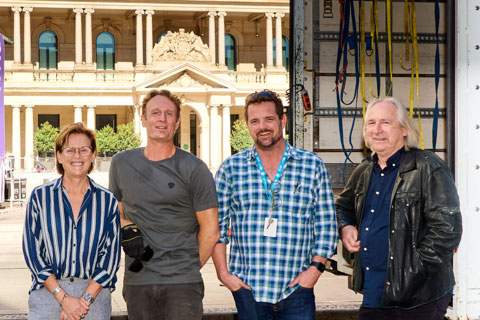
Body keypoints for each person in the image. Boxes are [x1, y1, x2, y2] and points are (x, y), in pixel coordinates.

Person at [212, 90, 338, 319]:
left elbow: (326, 224)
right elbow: (216, 230)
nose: (262, 126)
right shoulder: (230, 169)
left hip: (297, 290)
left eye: (269, 119)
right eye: (254, 121)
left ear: (282, 120)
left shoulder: (312, 165)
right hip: (248, 290)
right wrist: (224, 276)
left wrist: (315, 269)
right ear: (248, 125)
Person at [336, 97, 463, 320]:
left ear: (404, 129)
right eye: (371, 123)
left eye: (385, 123)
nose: (377, 130)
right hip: (373, 293)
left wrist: (412, 272)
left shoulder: (427, 167)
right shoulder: (363, 172)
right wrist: (345, 227)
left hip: (419, 297)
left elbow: (447, 230)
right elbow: (341, 208)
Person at [109, 89, 219, 320]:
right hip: (138, 281)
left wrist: (186, 268)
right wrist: (125, 223)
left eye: (169, 114)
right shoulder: (121, 163)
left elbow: (210, 231)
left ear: (177, 122)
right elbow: (114, 212)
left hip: (182, 284)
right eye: (155, 112)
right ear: (143, 118)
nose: (162, 119)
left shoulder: (195, 168)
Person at [23, 122, 121, 320]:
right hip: (48, 295)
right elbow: (33, 253)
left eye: (84, 149)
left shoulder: (107, 200)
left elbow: (110, 258)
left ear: (93, 155)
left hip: (94, 298)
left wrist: (84, 301)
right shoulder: (40, 197)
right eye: (69, 150)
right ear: (59, 155)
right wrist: (64, 298)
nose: (77, 156)